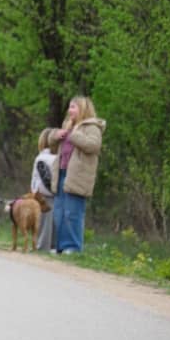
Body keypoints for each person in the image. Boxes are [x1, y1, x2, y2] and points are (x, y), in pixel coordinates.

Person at [51, 96, 105, 254]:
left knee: (72, 213)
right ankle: (61, 247)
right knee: (59, 212)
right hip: (62, 172)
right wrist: (56, 136)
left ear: (83, 109)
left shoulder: (92, 127)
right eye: (69, 107)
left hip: (77, 176)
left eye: (73, 107)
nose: (69, 111)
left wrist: (74, 135)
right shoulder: (68, 125)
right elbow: (52, 144)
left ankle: (73, 247)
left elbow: (94, 146)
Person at [30, 127, 59, 251]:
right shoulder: (57, 158)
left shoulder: (42, 158)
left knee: (43, 224)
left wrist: (35, 191)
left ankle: (42, 246)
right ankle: (53, 246)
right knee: (54, 223)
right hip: (55, 196)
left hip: (43, 196)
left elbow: (43, 179)